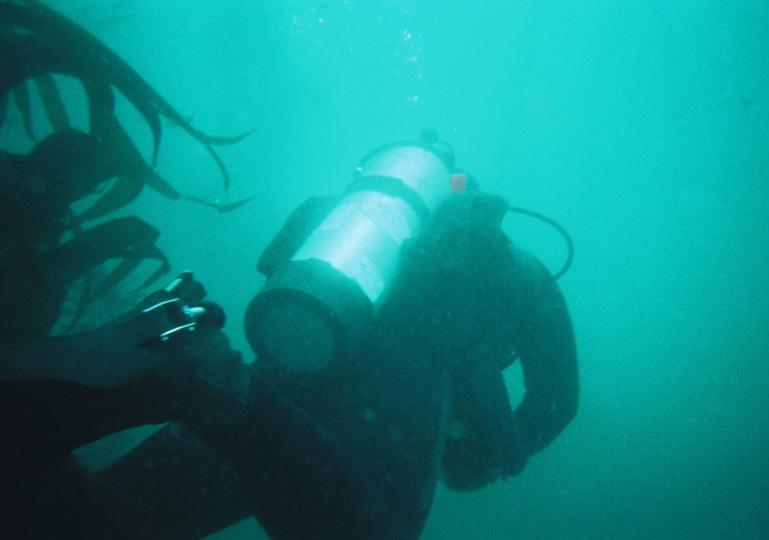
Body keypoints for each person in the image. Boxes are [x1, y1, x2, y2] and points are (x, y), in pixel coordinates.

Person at [2, 159, 578, 540]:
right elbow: (558, 399)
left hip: (289, 374)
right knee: (371, 530)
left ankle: (172, 351)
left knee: (103, 520)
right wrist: (494, 456)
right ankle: (197, 379)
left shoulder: (343, 218)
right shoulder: (521, 272)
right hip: (378, 426)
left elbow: (275, 266)